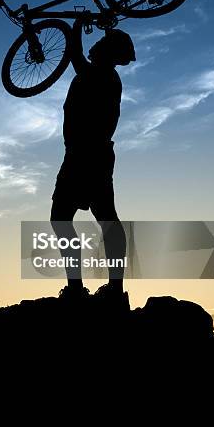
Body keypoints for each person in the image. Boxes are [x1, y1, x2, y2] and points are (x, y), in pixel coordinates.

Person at [50, 19, 136, 308]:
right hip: (84, 155)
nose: (94, 47)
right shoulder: (101, 73)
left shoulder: (100, 74)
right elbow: (79, 56)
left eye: (100, 45)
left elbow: (75, 54)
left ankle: (97, 288)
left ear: (107, 52)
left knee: (86, 219)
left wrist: (75, 26)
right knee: (98, 219)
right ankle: (102, 288)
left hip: (87, 156)